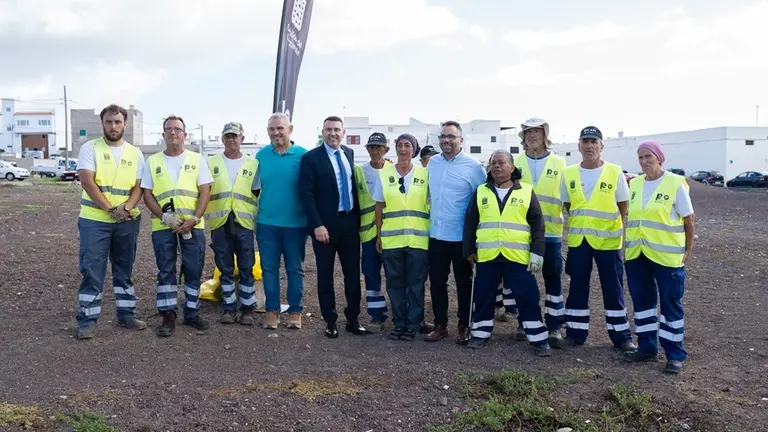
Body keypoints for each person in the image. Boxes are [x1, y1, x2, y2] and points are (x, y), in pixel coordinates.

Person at [463, 150, 552, 356]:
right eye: (493, 163)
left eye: (501, 163)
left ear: (512, 167)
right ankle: (480, 334)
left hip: (518, 257)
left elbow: (538, 225)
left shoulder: (526, 191)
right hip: (488, 256)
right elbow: (470, 223)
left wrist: (537, 253)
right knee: (483, 297)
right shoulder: (481, 191)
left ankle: (538, 339)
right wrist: (468, 250)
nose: (496, 166)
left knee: (528, 297)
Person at [560, 126, 636, 352]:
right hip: (579, 241)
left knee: (613, 289)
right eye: (585, 141)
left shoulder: (614, 172)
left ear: (601, 146)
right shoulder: (570, 173)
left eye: (594, 141)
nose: (589, 145)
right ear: (579, 146)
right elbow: (568, 205)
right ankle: (575, 333)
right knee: (577, 288)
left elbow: (623, 205)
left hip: (608, 242)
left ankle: (621, 337)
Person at [74, 104, 146, 339]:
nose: (113, 126)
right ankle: (87, 320)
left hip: (126, 220)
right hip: (95, 220)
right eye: (108, 122)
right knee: (92, 270)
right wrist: (110, 209)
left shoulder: (135, 153)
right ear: (102, 124)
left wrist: (126, 208)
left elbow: (139, 187)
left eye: (117, 122)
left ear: (125, 124)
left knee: (123, 269)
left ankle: (126, 315)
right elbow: (87, 182)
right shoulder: (90, 148)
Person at [622, 140, 694, 374]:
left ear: (659, 158)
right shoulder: (635, 185)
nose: (644, 161)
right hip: (638, 254)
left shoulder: (675, 183)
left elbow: (688, 219)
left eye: (648, 157)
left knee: (670, 304)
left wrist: (688, 248)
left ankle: (675, 354)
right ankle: (646, 347)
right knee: (643, 303)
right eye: (640, 157)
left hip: (667, 256)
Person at [142, 115, 212, 337]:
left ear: (185, 134)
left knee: (193, 268)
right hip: (164, 226)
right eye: (168, 129)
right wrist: (163, 216)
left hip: (192, 225)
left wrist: (195, 219)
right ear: (163, 134)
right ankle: (168, 315)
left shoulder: (197, 159)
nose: (173, 132)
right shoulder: (153, 162)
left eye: (177, 129)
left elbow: (205, 191)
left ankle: (191, 312)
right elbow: (147, 194)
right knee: (166, 270)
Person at [300, 116, 366, 339]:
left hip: (348, 223)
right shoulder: (311, 158)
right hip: (324, 227)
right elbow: (306, 194)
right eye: (328, 130)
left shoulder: (348, 153)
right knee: (325, 276)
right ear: (322, 132)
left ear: (343, 132)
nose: (333, 133)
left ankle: (353, 319)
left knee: (352, 274)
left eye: (337, 129)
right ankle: (330, 321)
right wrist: (317, 225)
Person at [425, 120, 487, 344]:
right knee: (437, 283)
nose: (446, 140)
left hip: (462, 238)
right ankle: (441, 325)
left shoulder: (473, 167)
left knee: (464, 284)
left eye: (451, 136)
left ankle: (464, 325)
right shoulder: (432, 164)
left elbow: (482, 200)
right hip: (436, 235)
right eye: (442, 136)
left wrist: (476, 238)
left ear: (461, 139)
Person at [512, 118, 567, 348]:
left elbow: (568, 201)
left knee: (552, 279)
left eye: (537, 131)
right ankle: (526, 321)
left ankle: (554, 326)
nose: (532, 135)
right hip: (522, 233)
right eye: (528, 132)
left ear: (545, 134)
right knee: (525, 280)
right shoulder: (515, 162)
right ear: (523, 137)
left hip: (551, 233)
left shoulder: (560, 163)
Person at [373, 134, 430, 341]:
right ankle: (399, 323)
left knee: (416, 283)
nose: (403, 149)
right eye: (400, 145)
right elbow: (379, 206)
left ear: (414, 150)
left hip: (418, 240)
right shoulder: (384, 173)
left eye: (408, 145)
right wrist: (379, 235)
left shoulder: (425, 174)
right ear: (395, 148)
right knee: (395, 283)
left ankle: (413, 324)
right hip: (392, 240)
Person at [256, 113, 308, 330]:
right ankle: (272, 310)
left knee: (295, 269)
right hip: (267, 223)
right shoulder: (260, 156)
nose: (276, 132)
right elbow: (253, 188)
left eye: (280, 128)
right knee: (269, 269)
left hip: (296, 224)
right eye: (271, 129)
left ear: (291, 129)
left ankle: (295, 311)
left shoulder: (304, 156)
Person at [206, 122, 260, 326]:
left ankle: (247, 308)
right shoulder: (211, 163)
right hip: (220, 222)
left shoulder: (253, 165)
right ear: (222, 139)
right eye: (227, 136)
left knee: (246, 265)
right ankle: (228, 307)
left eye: (234, 136)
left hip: (243, 222)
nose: (231, 140)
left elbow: (259, 194)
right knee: (224, 265)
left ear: (242, 139)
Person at [355, 132, 391, 333]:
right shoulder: (359, 172)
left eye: (379, 147)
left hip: (392, 233)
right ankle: (377, 316)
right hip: (368, 235)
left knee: (395, 275)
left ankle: (403, 315)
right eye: (371, 147)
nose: (375, 151)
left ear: (386, 149)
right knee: (371, 275)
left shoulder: (395, 170)